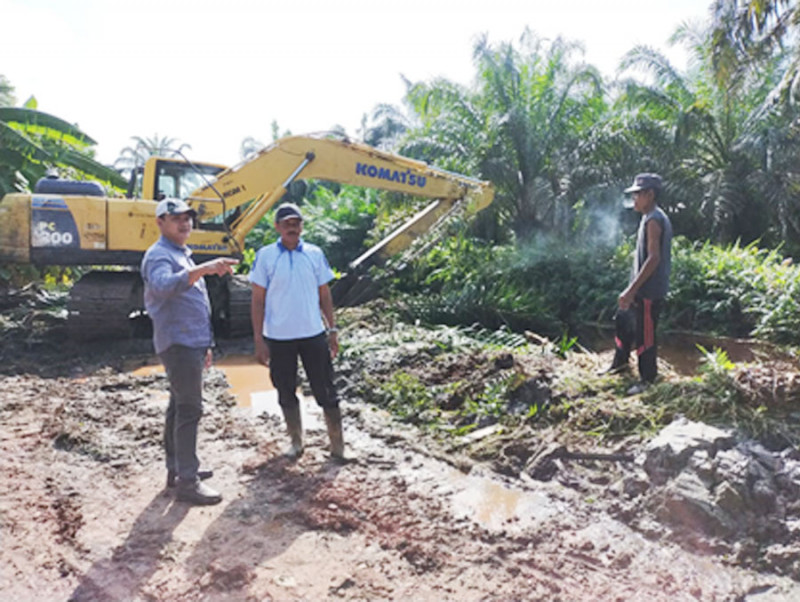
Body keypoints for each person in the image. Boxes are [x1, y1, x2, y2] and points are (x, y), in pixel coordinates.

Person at [141, 197, 239, 505]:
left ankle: (177, 468)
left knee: (178, 405)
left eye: (188, 218)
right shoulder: (159, 255)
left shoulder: (181, 254)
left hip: (190, 342)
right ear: (160, 223)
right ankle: (187, 480)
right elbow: (163, 287)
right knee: (190, 409)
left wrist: (205, 343)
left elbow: (195, 305)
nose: (185, 223)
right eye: (176, 218)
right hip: (178, 343)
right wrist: (204, 269)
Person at [249, 202, 343, 460]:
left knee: (326, 389)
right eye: (286, 223)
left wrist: (332, 329)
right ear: (277, 226)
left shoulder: (314, 254)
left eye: (296, 222)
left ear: (302, 226)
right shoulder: (265, 256)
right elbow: (257, 300)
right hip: (278, 338)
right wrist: (258, 339)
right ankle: (296, 443)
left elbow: (324, 293)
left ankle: (338, 447)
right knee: (285, 389)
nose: (292, 227)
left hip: (313, 334)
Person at [605, 173, 673, 395]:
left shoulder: (654, 219)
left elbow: (654, 258)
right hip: (639, 289)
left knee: (646, 335)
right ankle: (620, 363)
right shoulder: (647, 217)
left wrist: (631, 289)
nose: (634, 199)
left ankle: (647, 379)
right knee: (623, 321)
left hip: (649, 292)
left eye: (638, 194)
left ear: (650, 194)